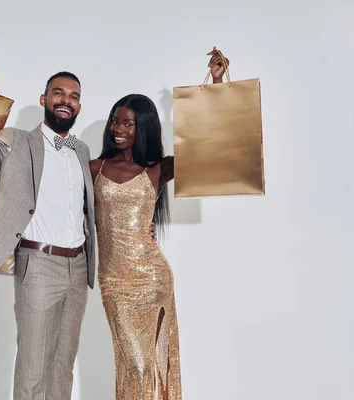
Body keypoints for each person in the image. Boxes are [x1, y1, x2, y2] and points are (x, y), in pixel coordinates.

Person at [0, 54, 156, 400]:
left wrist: (140, 229)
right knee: (33, 370)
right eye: (58, 93)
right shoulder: (16, 141)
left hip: (78, 268)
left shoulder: (81, 150)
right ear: (44, 100)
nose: (66, 100)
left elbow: (105, 204)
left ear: (78, 106)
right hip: (38, 265)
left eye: (73, 96)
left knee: (62, 367)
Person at [89, 47, 229, 399]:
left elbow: (204, 145)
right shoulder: (95, 167)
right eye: (115, 120)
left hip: (152, 277)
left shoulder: (156, 169)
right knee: (133, 363)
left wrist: (215, 83)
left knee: (151, 364)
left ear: (144, 127)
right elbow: (62, 151)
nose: (118, 128)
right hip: (114, 282)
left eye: (128, 123)